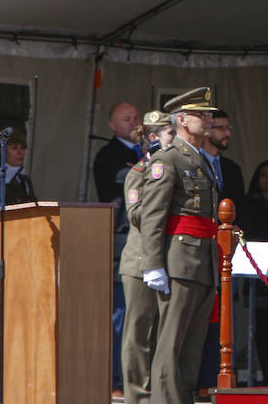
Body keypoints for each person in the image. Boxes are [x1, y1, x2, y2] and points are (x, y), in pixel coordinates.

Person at [139, 87, 218, 404]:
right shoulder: (167, 160)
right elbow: (152, 215)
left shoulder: (201, 158)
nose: (208, 119)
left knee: (191, 347)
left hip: (202, 260)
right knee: (170, 344)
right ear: (182, 119)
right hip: (179, 260)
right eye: (201, 114)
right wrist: (153, 263)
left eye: (209, 113)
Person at [120, 111, 175, 404]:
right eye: (170, 134)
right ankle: (138, 396)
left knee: (164, 333)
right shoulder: (140, 173)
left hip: (167, 260)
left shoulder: (172, 169)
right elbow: (137, 214)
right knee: (139, 332)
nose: (174, 140)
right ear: (154, 138)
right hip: (140, 262)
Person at [93, 100, 143, 397]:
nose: (134, 122)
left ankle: (138, 375)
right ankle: (114, 379)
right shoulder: (108, 155)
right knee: (120, 313)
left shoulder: (150, 152)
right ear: (113, 126)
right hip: (123, 240)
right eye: (127, 119)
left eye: (137, 117)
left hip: (149, 241)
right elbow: (117, 187)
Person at [197, 109, 246, 392]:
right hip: (201, 250)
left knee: (224, 316)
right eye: (221, 128)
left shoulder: (233, 169)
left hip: (227, 253)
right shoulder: (194, 161)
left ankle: (215, 377)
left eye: (229, 128)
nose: (227, 134)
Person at [240, 160, 268, 384]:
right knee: (262, 325)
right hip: (259, 270)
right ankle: (266, 372)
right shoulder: (249, 204)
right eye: (263, 174)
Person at [0, 129, 36, 206]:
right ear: (2, 151)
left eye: (23, 148)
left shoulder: (25, 180)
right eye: (14, 148)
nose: (20, 152)